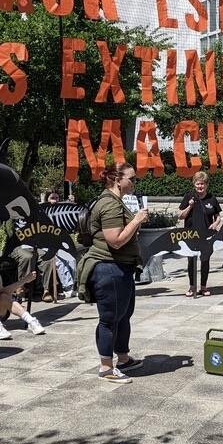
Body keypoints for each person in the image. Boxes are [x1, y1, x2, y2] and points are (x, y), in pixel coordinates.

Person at [83, 163, 149, 383]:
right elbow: (116, 240)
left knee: (123, 315)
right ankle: (106, 368)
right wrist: (136, 220)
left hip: (120, 267)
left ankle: (123, 358)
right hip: (108, 268)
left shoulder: (115, 201)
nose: (134, 182)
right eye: (132, 178)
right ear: (117, 179)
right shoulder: (109, 204)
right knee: (109, 319)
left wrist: (136, 222)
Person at [177, 171, 222, 297]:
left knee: (205, 260)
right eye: (198, 184)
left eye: (202, 184)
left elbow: (218, 216)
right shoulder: (189, 196)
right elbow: (180, 216)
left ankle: (203, 286)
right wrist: (189, 206)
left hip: (206, 235)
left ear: (206, 185)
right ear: (194, 184)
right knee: (191, 261)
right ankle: (192, 286)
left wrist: (215, 224)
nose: (200, 187)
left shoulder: (211, 198)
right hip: (190, 234)